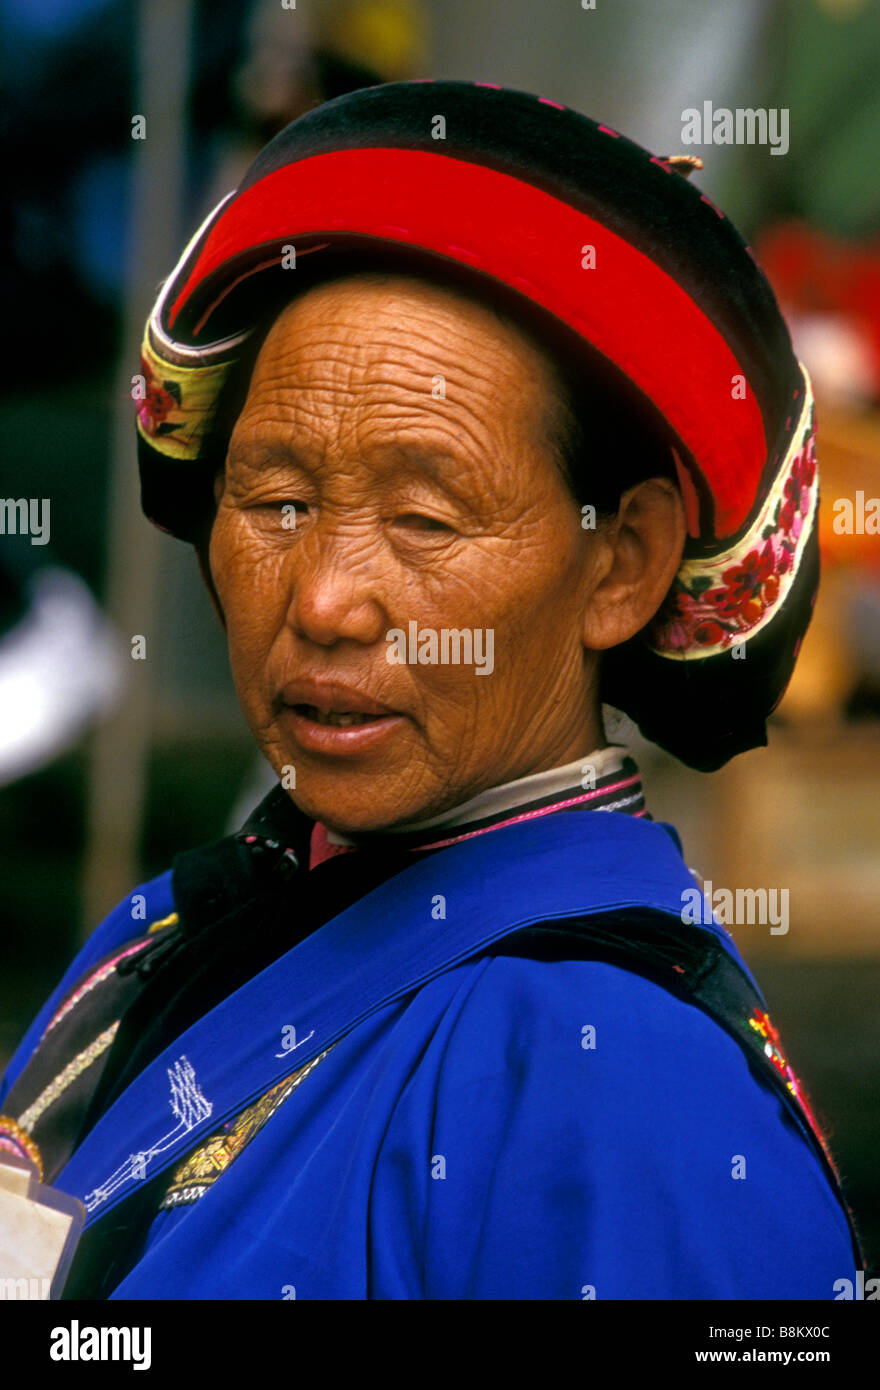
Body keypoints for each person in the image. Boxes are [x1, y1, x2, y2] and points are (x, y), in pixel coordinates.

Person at [0, 80, 863, 1300]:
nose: (324, 600)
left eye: (423, 515)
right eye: (277, 500)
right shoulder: (173, 936)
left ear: (619, 562)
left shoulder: (608, 1079)